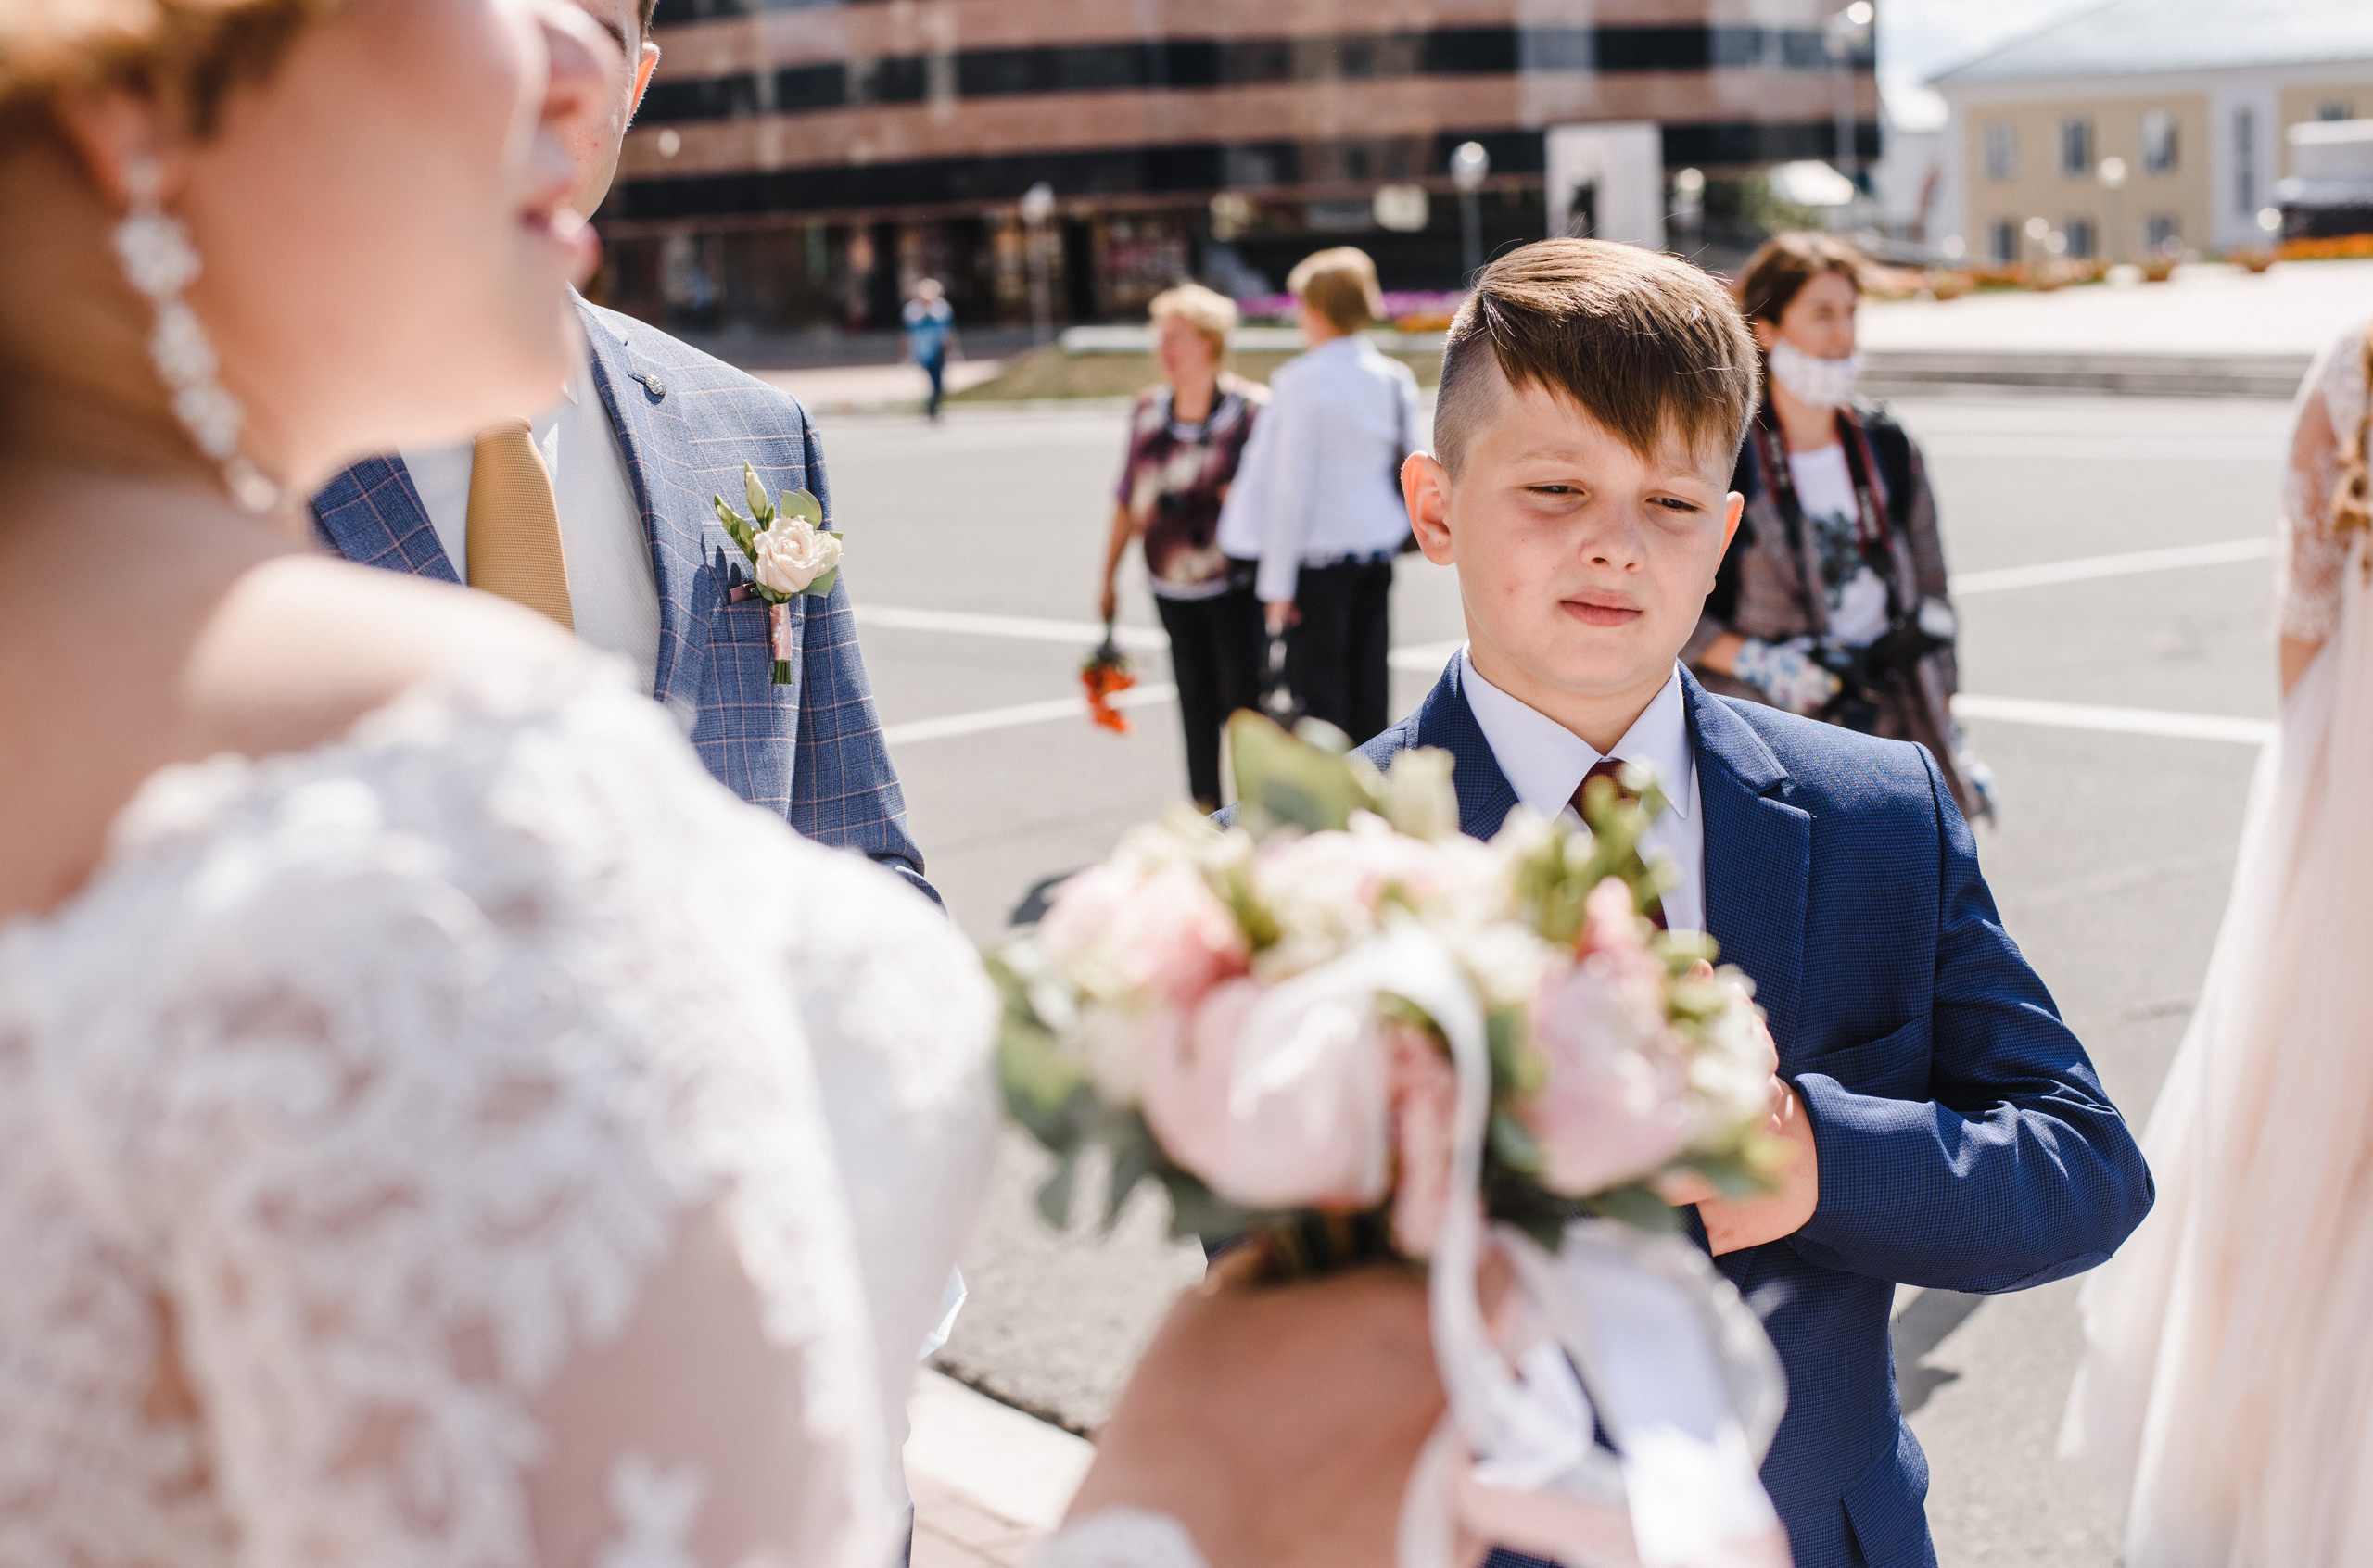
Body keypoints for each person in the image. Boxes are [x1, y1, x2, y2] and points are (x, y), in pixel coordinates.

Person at [0, 5, 1453, 1567]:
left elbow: (857, 831)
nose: (571, 62)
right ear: (125, 67)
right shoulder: (451, 787)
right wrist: (1210, 1473)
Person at [1373, 238, 2152, 1567]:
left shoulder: (1876, 813)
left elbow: (2085, 1166)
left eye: (1673, 504)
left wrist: (1818, 1156)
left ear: (1726, 532)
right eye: (1556, 488)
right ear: (1436, 506)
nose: (1617, 546)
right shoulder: (1319, 862)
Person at [313, 0, 932, 902]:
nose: (543, 60)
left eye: (591, 31)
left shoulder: (757, 431)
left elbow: (861, 859)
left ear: (633, 83)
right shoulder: (200, 446)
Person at [2060, 320, 2373, 1565]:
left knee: (2315, 1119)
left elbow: (2299, 627)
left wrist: (2313, 805)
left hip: (2345, 780)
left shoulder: (2352, 368)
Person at [1687, 233, 1993, 824]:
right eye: (1821, 314)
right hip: (1772, 725)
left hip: (1892, 707)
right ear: (1768, 330)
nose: (1843, 335)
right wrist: (1761, 664)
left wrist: (1945, 715)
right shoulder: (1729, 458)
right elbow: (1676, 605)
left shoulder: (1886, 446)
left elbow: (1932, 583)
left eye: (1850, 313)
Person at [1217, 246, 1418, 745]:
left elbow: (1289, 491)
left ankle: (1336, 816)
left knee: (1321, 709)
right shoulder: (1393, 379)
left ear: (1318, 309)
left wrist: (1276, 588)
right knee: (1371, 693)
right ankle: (1374, 806)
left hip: (1317, 566)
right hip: (1376, 552)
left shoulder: (1298, 383)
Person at [1098, 282, 1268, 809]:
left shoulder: (1251, 412)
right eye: (1160, 338)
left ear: (1210, 342)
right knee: (1193, 702)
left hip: (1237, 586)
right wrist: (1106, 579)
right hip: (1169, 585)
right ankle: (1205, 815)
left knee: (1245, 707)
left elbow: (1274, 505)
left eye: (1175, 338)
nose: (1162, 351)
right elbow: (1128, 499)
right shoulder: (1147, 413)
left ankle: (1256, 816)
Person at [904, 276, 957, 421]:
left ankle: (932, 405)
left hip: (940, 349)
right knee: (933, 379)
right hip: (923, 350)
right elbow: (908, 334)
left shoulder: (942, 308)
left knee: (940, 381)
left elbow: (949, 330)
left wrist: (952, 349)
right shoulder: (912, 310)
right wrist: (906, 354)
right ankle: (932, 407)